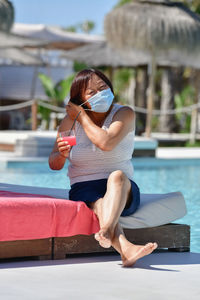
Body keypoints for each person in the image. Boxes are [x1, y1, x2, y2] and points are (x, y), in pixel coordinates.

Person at [49, 68, 157, 267]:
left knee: (117, 176)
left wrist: (81, 117)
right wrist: (62, 155)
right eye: (92, 92)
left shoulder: (123, 114)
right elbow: (54, 164)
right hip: (85, 187)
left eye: (103, 87)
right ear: (79, 99)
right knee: (98, 202)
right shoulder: (70, 123)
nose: (101, 94)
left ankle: (106, 229)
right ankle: (125, 248)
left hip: (123, 189)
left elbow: (106, 143)